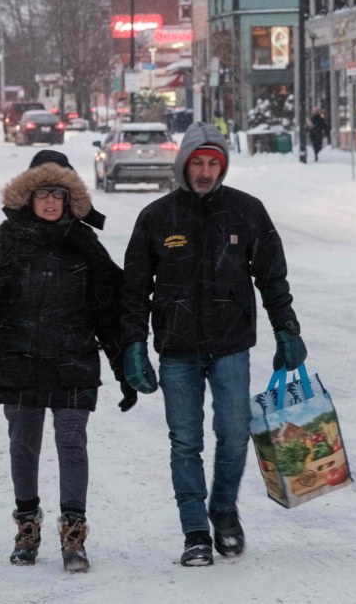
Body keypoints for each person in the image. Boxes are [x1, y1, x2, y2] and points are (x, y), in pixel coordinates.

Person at [120, 122, 306, 567]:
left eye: (213, 164)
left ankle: (222, 510)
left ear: (222, 166)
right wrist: (133, 345)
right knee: (185, 442)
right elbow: (133, 289)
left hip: (230, 344)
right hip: (177, 348)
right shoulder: (157, 217)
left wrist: (287, 329)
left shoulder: (247, 212)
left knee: (235, 434)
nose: (205, 172)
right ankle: (195, 532)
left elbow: (272, 277)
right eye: (198, 163)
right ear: (184, 164)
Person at [0, 150, 136, 572]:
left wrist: (124, 370)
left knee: (72, 442)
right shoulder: (10, 239)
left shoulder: (84, 245)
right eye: (43, 193)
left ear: (70, 198)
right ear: (29, 196)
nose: (51, 202)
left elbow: (108, 313)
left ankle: (73, 530)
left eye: (59, 193)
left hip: (72, 358)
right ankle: (27, 525)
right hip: (18, 356)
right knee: (23, 445)